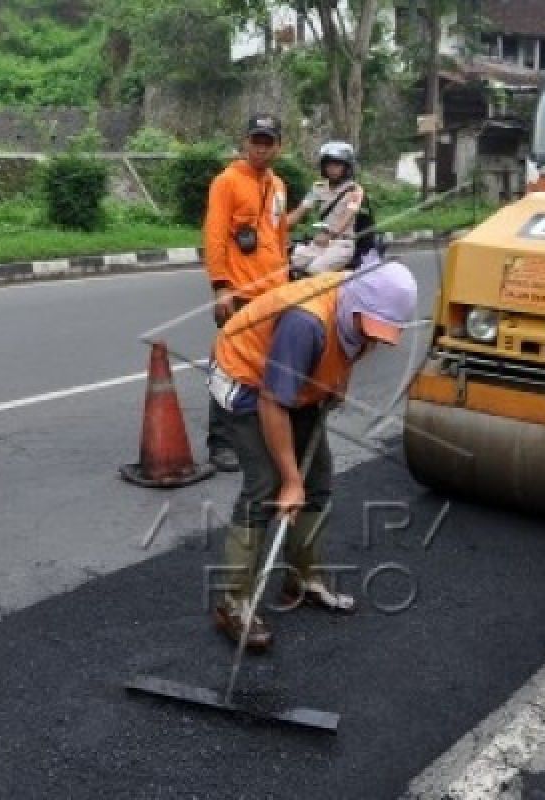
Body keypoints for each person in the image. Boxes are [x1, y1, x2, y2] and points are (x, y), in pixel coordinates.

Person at [206, 247, 418, 650]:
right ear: (358, 305)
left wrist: (338, 381)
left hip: (294, 385)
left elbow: (355, 343)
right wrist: (289, 480)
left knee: (317, 480)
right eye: (371, 325)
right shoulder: (305, 323)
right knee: (266, 487)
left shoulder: (357, 307)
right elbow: (272, 401)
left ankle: (302, 580)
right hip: (245, 380)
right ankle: (232, 603)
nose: (377, 335)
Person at [202, 113, 291, 472]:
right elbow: (214, 235)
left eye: (268, 142)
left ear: (278, 147)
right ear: (245, 142)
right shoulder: (227, 182)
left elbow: (280, 235)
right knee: (229, 367)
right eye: (255, 140)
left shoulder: (279, 186)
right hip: (240, 293)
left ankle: (253, 438)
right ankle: (220, 442)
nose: (260, 148)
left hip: (275, 292)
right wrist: (221, 286)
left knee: (263, 369)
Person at [286, 141, 366, 275]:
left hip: (341, 244)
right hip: (319, 242)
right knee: (290, 262)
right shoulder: (318, 187)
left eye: (337, 164)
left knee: (315, 270)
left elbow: (348, 216)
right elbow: (301, 210)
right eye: (328, 164)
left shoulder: (355, 190)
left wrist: (330, 234)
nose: (332, 169)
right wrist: (278, 228)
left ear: (347, 167)